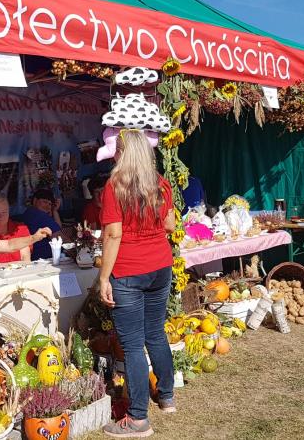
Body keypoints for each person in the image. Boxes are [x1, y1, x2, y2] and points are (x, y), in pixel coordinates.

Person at [98, 130, 176, 438]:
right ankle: (166, 396)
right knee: (155, 333)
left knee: (132, 344)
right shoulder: (161, 184)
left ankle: (138, 418)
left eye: (117, 150)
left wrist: (104, 277)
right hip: (160, 265)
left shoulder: (115, 186)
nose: (115, 155)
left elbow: (113, 234)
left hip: (129, 270)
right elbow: (170, 224)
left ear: (123, 154)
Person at [17, 189, 62, 260]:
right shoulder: (38, 215)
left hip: (36, 257)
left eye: (50, 204)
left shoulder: (29, 212)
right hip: (43, 259)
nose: (47, 206)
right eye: (45, 202)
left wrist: (54, 211)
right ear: (35, 200)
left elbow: (58, 228)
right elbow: (58, 237)